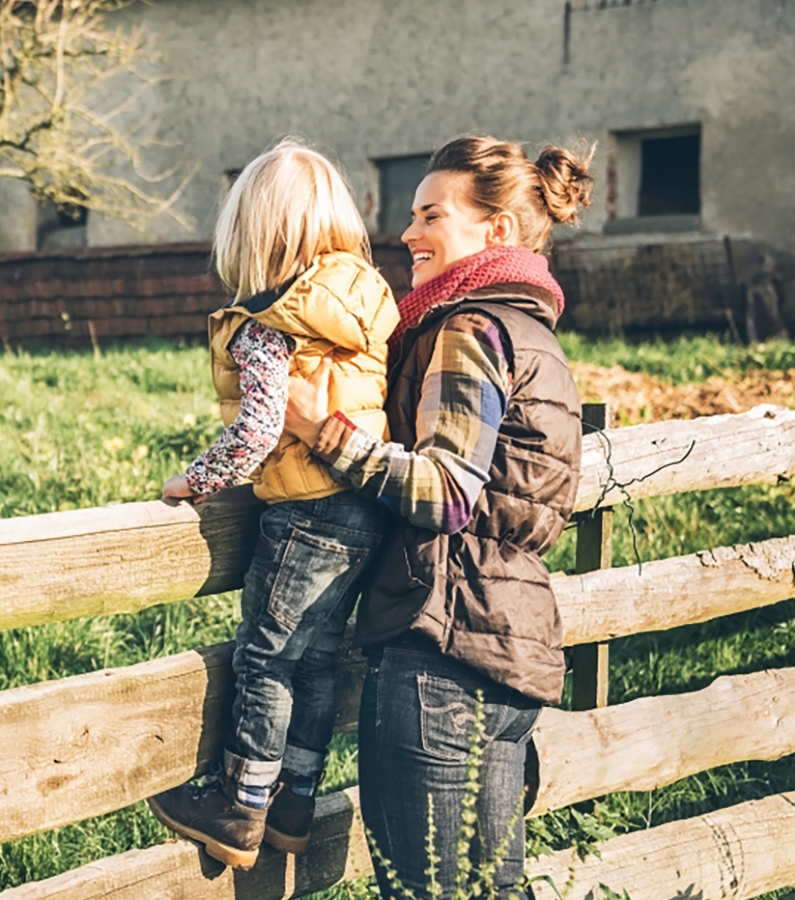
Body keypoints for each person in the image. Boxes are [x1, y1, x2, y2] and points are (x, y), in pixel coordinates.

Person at [282, 134, 592, 898]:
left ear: (498, 233)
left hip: (443, 655)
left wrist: (326, 432)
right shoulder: (534, 335)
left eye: (431, 216)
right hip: (506, 647)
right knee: (490, 888)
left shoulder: (468, 327)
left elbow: (448, 493)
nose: (408, 234)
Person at [146, 138, 398, 869]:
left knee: (266, 658)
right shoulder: (362, 300)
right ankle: (293, 804)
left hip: (306, 508)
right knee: (317, 661)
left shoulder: (270, 320)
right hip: (365, 503)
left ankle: (239, 806)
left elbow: (259, 427)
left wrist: (196, 479)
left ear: (254, 233)